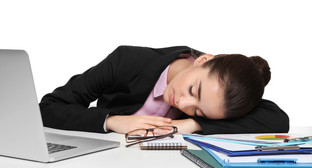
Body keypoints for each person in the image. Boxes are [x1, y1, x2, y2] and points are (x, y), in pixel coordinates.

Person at [39, 45, 289, 134]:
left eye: (198, 111)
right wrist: (113, 121)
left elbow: (277, 119)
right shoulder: (126, 61)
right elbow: (48, 107)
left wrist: (192, 124)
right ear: (202, 60)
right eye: (193, 90)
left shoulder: (220, 97)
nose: (183, 104)